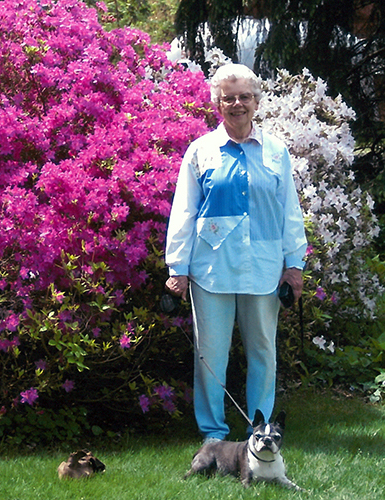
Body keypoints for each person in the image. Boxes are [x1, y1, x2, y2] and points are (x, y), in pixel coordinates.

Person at [164, 64, 307, 443]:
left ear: (256, 102)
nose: (237, 104)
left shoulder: (276, 152)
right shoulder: (201, 151)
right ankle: (213, 432)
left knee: (263, 351)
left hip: (262, 268)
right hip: (211, 270)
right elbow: (185, 210)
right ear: (217, 104)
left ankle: (258, 429)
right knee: (210, 355)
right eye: (229, 97)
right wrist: (177, 265)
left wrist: (295, 265)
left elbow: (289, 210)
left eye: (244, 96)